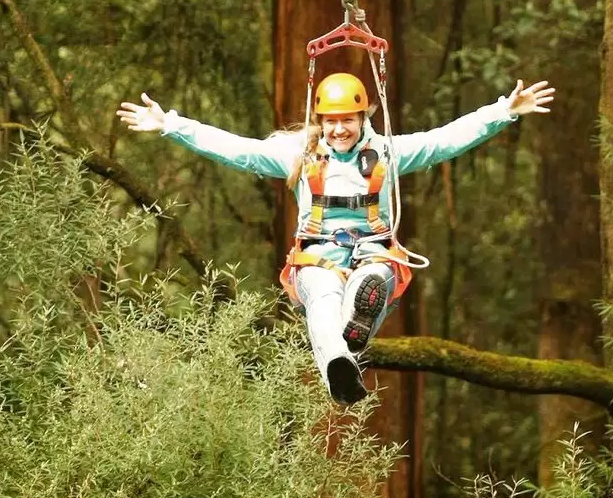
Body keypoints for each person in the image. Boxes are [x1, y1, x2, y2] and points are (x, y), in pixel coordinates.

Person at [117, 74, 554, 405]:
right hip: (318, 255)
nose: (339, 129)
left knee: (377, 276)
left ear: (363, 118)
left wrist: (502, 111)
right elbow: (236, 148)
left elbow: (444, 141)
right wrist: (170, 124)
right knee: (323, 303)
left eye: (347, 120)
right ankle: (340, 368)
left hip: (373, 250)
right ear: (320, 121)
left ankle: (356, 322)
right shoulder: (298, 155)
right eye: (331, 121)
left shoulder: (388, 152)